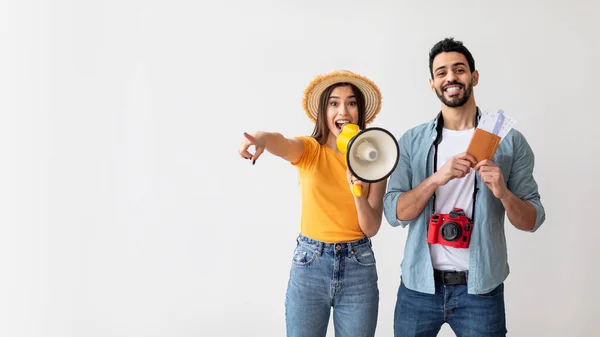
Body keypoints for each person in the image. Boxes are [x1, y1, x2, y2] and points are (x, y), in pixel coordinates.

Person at [383, 38, 546, 337]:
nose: (451, 78)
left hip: (481, 290)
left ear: (474, 76)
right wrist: (435, 179)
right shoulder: (412, 141)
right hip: (419, 287)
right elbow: (395, 214)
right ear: (432, 83)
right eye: (441, 72)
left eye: (459, 70)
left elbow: (531, 220)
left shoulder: (510, 141)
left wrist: (503, 193)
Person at [238, 70, 386, 337]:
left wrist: (357, 191)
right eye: (334, 103)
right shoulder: (309, 150)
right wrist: (260, 137)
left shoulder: (377, 160)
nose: (343, 110)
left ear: (360, 111)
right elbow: (281, 142)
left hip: (358, 266)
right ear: (324, 111)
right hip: (310, 264)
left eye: (351, 103)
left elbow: (372, 227)